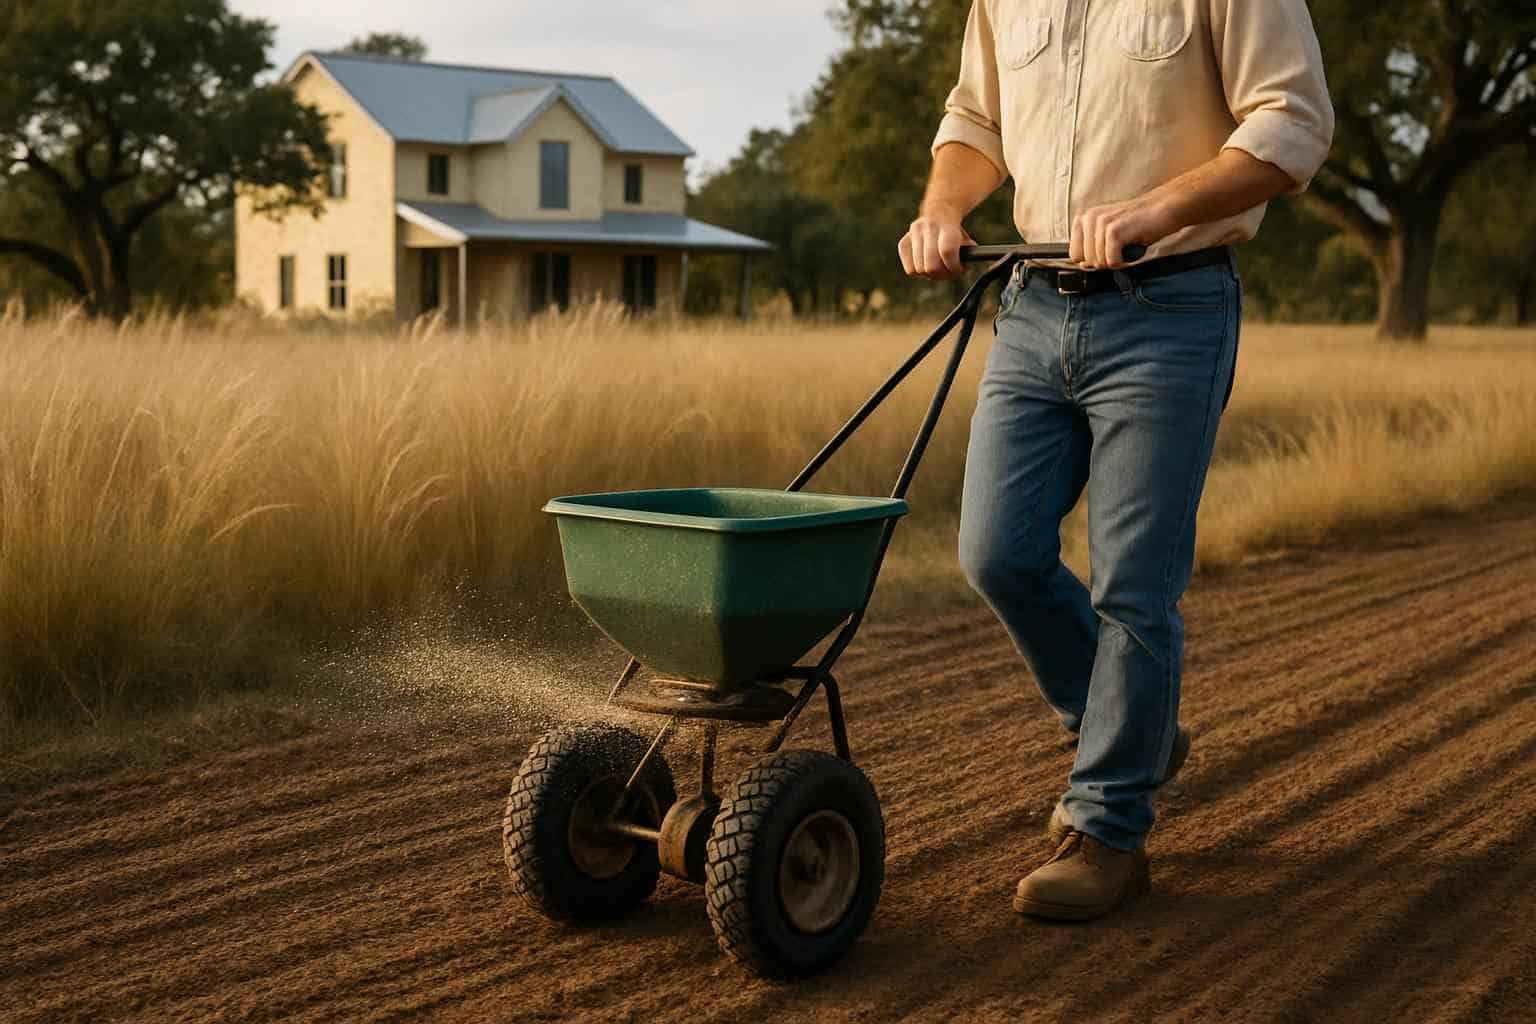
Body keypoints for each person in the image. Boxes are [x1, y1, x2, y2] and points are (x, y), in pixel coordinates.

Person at [898, 0, 1334, 921]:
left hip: (1168, 310)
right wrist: (941, 209)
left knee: (1132, 586)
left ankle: (1107, 828)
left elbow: (1292, 123)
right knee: (996, 553)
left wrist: (1154, 209)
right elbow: (975, 119)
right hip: (1031, 304)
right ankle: (1133, 730)